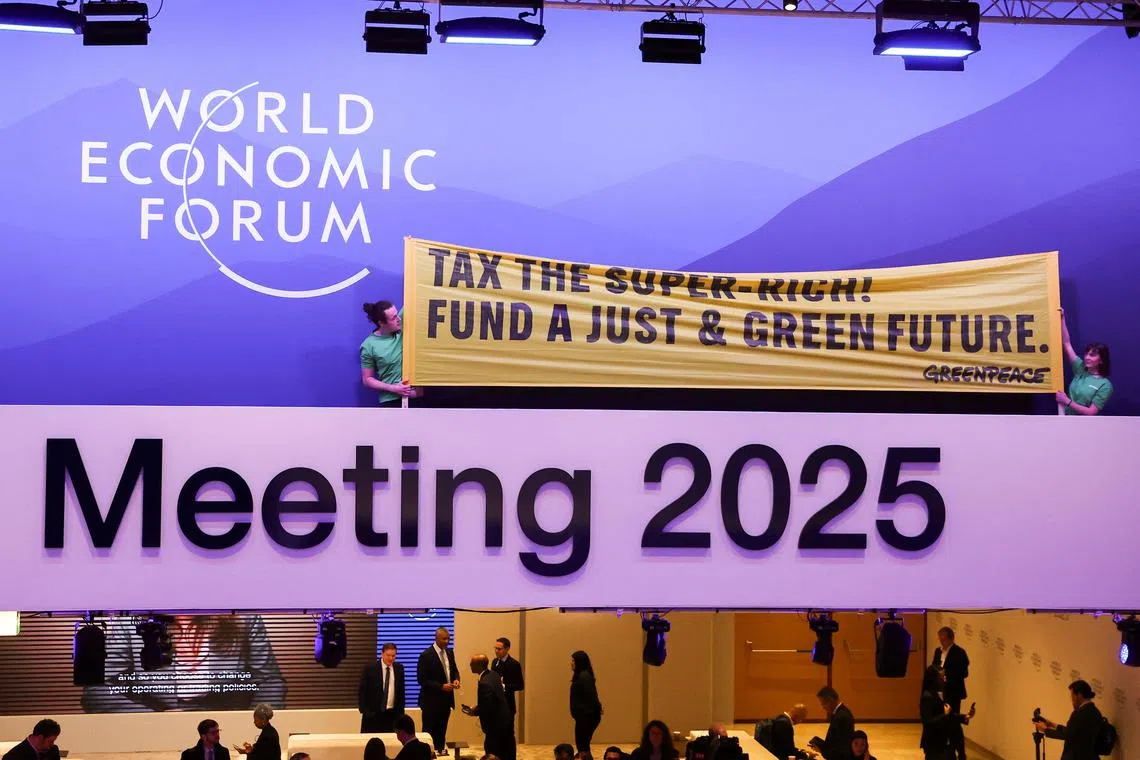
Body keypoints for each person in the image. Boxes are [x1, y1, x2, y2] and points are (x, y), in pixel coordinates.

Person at [81, 613, 286, 713]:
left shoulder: (243, 617)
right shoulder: (131, 621)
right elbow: (97, 691)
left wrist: (253, 727)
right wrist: (151, 722)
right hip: (155, 733)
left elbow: (270, 682)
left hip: (226, 730)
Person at [361, 300, 421, 407]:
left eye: (397, 314)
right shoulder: (369, 345)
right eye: (393, 318)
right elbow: (367, 379)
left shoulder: (401, 324)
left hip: (417, 398)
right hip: (391, 401)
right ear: (381, 323)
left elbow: (416, 299)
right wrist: (393, 388)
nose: (399, 319)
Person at [1056, 308, 1112, 415]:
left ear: (1101, 360)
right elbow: (1067, 344)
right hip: (1066, 420)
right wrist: (1062, 318)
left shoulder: (1105, 385)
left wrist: (1067, 401)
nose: (1087, 357)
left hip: (1084, 426)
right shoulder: (1080, 368)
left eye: (1092, 355)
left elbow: (1091, 412)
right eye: (1086, 354)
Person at [462, 654, 516, 760]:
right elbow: (492, 700)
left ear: (478, 665)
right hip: (505, 722)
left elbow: (487, 707)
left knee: (492, 754)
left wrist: (473, 712)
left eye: (472, 663)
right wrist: (477, 707)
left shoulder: (484, 683)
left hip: (495, 726)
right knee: (507, 753)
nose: (470, 665)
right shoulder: (493, 675)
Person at [1033, 679, 1103, 760]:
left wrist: (1045, 730)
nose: (1072, 700)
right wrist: (1053, 725)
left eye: (1072, 696)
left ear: (1079, 695)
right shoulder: (1096, 712)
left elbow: (1067, 735)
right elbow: (1073, 733)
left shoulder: (1079, 713)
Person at [417, 626, 461, 753]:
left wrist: (456, 679)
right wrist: (441, 686)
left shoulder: (450, 652)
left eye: (448, 639)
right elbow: (422, 680)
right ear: (436, 638)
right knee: (429, 732)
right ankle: (427, 754)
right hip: (431, 701)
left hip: (446, 701)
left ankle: (440, 751)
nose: (447, 641)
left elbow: (454, 671)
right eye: (444, 639)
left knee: (442, 730)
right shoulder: (426, 655)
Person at [932, 627, 970, 760]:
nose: (942, 642)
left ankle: (959, 753)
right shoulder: (937, 652)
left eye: (944, 639)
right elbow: (934, 668)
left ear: (951, 638)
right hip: (940, 692)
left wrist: (946, 674)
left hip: (953, 692)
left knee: (953, 723)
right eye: (940, 639)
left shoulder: (959, 653)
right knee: (943, 722)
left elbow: (964, 673)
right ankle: (948, 752)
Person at [920, 667, 974, 760]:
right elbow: (928, 722)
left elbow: (949, 714)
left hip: (945, 742)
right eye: (942, 677)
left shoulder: (940, 694)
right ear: (934, 680)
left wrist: (965, 717)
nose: (945, 679)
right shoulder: (927, 697)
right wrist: (944, 715)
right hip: (934, 745)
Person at [360, 642, 406, 732]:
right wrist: (365, 711)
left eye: (393, 656)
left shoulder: (399, 669)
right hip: (373, 716)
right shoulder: (370, 669)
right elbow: (362, 691)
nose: (391, 658)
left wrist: (400, 714)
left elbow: (401, 692)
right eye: (388, 655)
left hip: (392, 716)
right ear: (382, 654)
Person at [569, 650, 603, 756]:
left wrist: (594, 709)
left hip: (586, 718)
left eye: (573, 661)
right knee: (583, 746)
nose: (571, 663)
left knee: (583, 747)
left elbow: (591, 697)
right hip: (584, 718)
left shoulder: (584, 677)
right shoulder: (582, 676)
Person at [808, 687, 854, 760]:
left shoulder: (842, 717)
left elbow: (840, 748)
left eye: (823, 704)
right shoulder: (839, 713)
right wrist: (820, 744)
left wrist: (821, 750)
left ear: (831, 700)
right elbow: (835, 741)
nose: (823, 707)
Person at [491, 637, 525, 716]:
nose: (496, 651)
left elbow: (520, 686)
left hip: (507, 705)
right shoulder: (495, 662)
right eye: (495, 648)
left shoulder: (514, 664)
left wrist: (504, 686)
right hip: (495, 705)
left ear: (507, 649)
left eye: (499, 649)